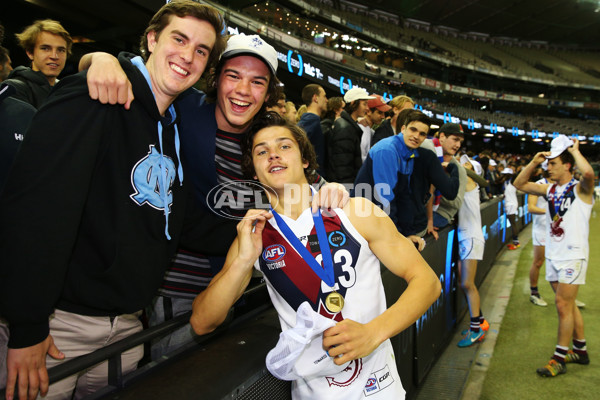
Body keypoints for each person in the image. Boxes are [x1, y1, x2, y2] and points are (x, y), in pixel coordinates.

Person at [0, 2, 225, 399]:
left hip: (125, 331)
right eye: (179, 39)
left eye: (202, 50)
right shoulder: (93, 96)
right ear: (152, 40)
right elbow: (36, 212)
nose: (188, 56)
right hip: (58, 330)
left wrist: (264, 230)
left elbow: (179, 218)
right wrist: (28, 326)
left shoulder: (168, 126)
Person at [82, 34, 349, 360]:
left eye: (257, 82)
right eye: (233, 76)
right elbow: (132, 71)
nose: (242, 90)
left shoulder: (264, 137)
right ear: (216, 78)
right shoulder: (183, 108)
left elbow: (305, 179)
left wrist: (331, 189)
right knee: (173, 379)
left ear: (267, 94)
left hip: (237, 284)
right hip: (175, 286)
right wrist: (98, 58)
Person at [189, 112, 441, 399]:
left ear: (305, 159)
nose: (273, 155)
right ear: (253, 172)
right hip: (313, 393)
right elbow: (202, 322)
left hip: (378, 388)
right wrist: (244, 261)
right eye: (262, 151)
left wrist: (374, 332)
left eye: (284, 146)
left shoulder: (355, 210)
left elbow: (427, 282)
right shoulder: (254, 234)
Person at [513, 135, 594, 377]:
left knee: (562, 304)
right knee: (567, 304)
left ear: (568, 165)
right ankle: (580, 350)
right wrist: (534, 162)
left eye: (553, 163)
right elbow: (519, 184)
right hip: (554, 255)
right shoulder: (549, 189)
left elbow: (589, 174)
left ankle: (558, 358)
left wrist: (575, 151)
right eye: (548, 164)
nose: (549, 167)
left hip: (573, 256)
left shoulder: (581, 189)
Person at [354, 110, 460, 250]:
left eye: (422, 134)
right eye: (413, 130)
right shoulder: (387, 150)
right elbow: (384, 197)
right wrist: (397, 235)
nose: (416, 136)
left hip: (377, 216)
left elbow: (403, 195)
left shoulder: (410, 153)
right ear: (403, 128)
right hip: (364, 218)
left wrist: (408, 233)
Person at [456, 155, 489, 347]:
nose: (462, 164)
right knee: (465, 283)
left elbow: (462, 172)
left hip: (471, 237)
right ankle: (480, 321)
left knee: (468, 284)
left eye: (466, 164)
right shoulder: (466, 181)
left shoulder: (468, 181)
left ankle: (476, 329)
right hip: (466, 236)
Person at [3, 19, 72, 108]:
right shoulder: (13, 89)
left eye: (61, 50)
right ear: (30, 53)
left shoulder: (67, 90)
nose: (54, 56)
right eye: (45, 48)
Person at [327, 87, 373, 183]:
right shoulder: (345, 128)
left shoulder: (349, 124)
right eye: (364, 104)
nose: (367, 108)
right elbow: (343, 166)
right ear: (353, 103)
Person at [528, 168, 551, 307]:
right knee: (538, 262)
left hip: (557, 231)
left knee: (560, 261)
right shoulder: (538, 184)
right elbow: (531, 207)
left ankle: (567, 296)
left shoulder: (562, 185)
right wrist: (550, 212)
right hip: (541, 230)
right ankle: (534, 293)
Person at [297, 84, 328, 178]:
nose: (326, 100)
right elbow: (296, 142)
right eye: (324, 96)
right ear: (315, 98)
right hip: (312, 178)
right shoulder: (311, 119)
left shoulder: (313, 120)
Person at [358, 95, 390, 162]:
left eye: (384, 113)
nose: (383, 117)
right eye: (380, 113)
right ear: (369, 111)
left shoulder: (370, 131)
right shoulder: (361, 129)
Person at [499, 166, 520, 249]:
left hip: (511, 204)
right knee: (512, 223)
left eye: (505, 174)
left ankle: (516, 242)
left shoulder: (512, 182)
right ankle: (515, 241)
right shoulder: (506, 183)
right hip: (510, 204)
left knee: (512, 223)